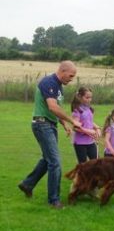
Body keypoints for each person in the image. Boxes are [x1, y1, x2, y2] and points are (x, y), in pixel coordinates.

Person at [18, 60, 82, 209]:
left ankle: (27, 184)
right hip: (42, 124)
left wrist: (64, 124)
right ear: (63, 71)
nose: (71, 79)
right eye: (71, 75)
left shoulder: (58, 86)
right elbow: (52, 107)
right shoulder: (49, 82)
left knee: (48, 160)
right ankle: (54, 200)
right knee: (55, 162)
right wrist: (72, 121)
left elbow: (56, 108)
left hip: (50, 125)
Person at [71, 87, 101, 163]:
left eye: (90, 97)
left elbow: (89, 121)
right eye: (87, 97)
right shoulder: (77, 110)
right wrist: (89, 131)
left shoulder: (89, 109)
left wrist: (97, 128)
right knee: (83, 165)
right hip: (80, 143)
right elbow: (75, 127)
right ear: (80, 97)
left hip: (90, 142)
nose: (89, 100)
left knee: (96, 163)